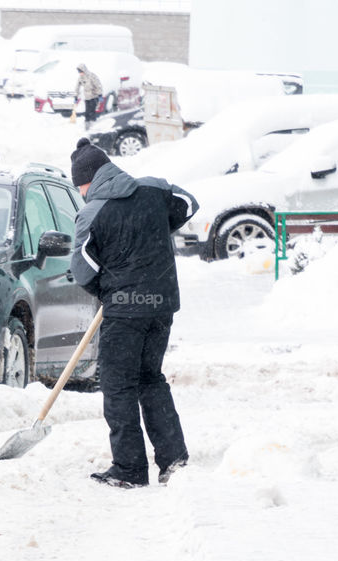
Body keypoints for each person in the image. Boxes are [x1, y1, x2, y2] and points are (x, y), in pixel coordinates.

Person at [68, 138, 198, 488]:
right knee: (150, 378)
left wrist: (108, 289)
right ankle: (174, 460)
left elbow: (82, 269)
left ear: (90, 179)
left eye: (80, 185)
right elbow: (188, 203)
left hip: (125, 311)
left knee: (119, 386)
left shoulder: (93, 211)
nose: (81, 192)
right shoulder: (154, 190)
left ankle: (129, 469)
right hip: (162, 304)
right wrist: (152, 229)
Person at [75, 63, 103, 129]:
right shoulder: (80, 78)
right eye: (79, 72)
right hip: (87, 97)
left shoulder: (91, 76)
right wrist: (76, 96)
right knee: (87, 113)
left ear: (84, 70)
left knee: (92, 112)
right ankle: (87, 127)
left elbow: (98, 85)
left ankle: (94, 125)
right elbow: (77, 87)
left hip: (94, 96)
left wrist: (100, 95)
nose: (80, 73)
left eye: (81, 71)